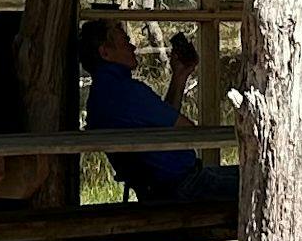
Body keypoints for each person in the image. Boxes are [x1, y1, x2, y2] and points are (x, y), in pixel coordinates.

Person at [81, 17, 233, 202]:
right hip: (181, 187)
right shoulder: (127, 92)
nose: (133, 47)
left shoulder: (104, 93)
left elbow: (165, 123)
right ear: (105, 52)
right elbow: (187, 131)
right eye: (125, 42)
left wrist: (179, 76)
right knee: (266, 179)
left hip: (159, 188)